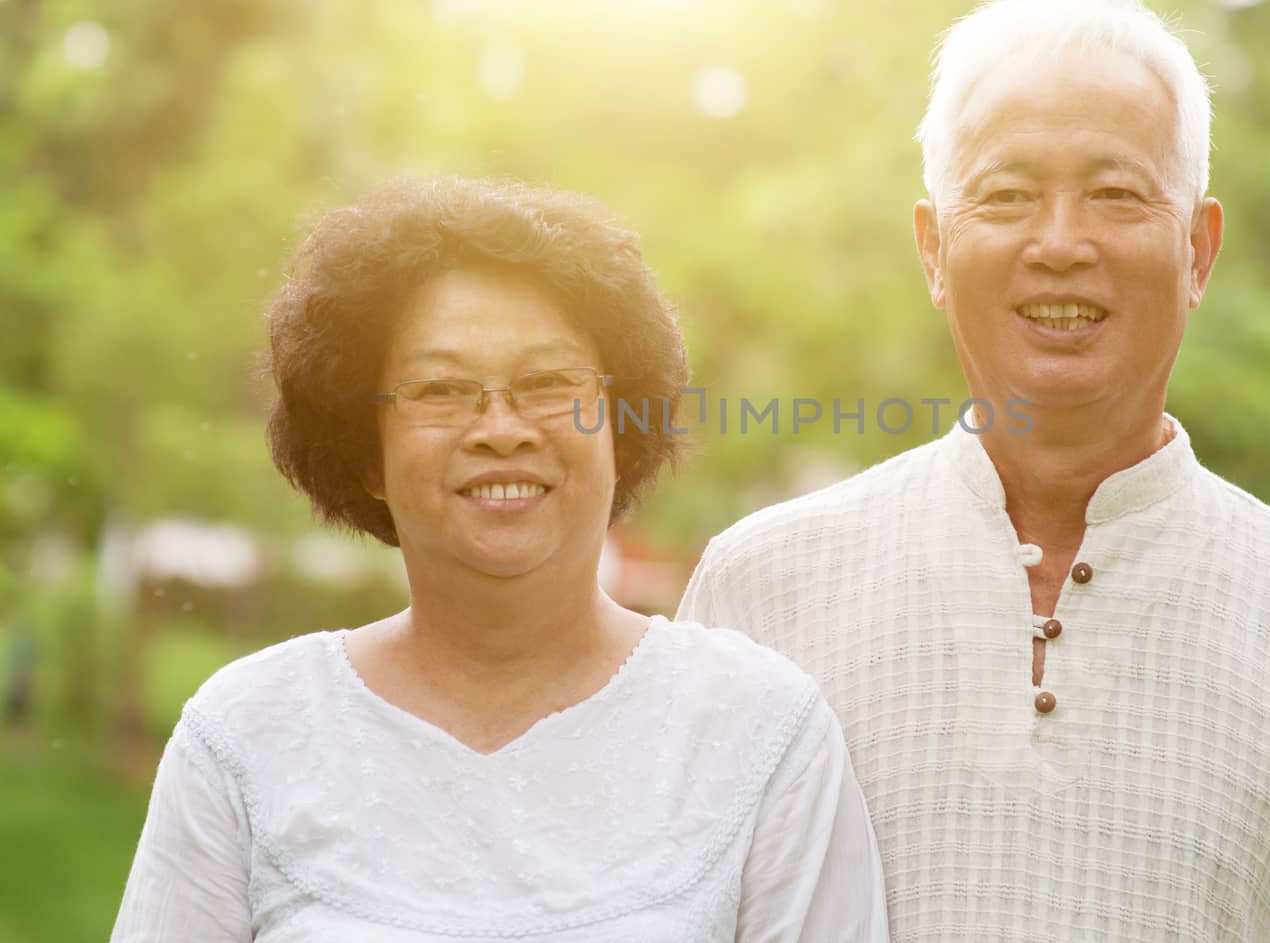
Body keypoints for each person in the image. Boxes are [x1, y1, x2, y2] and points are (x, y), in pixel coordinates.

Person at [678, 0, 1270, 941]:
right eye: (1006, 195)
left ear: (1197, 251)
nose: (1060, 242)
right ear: (931, 249)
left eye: (1116, 194)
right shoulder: (759, 591)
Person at [111, 177, 889, 942]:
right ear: (366, 453)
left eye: (548, 383)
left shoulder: (761, 730)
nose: (501, 428)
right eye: (442, 389)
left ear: (618, 427)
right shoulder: (247, 736)